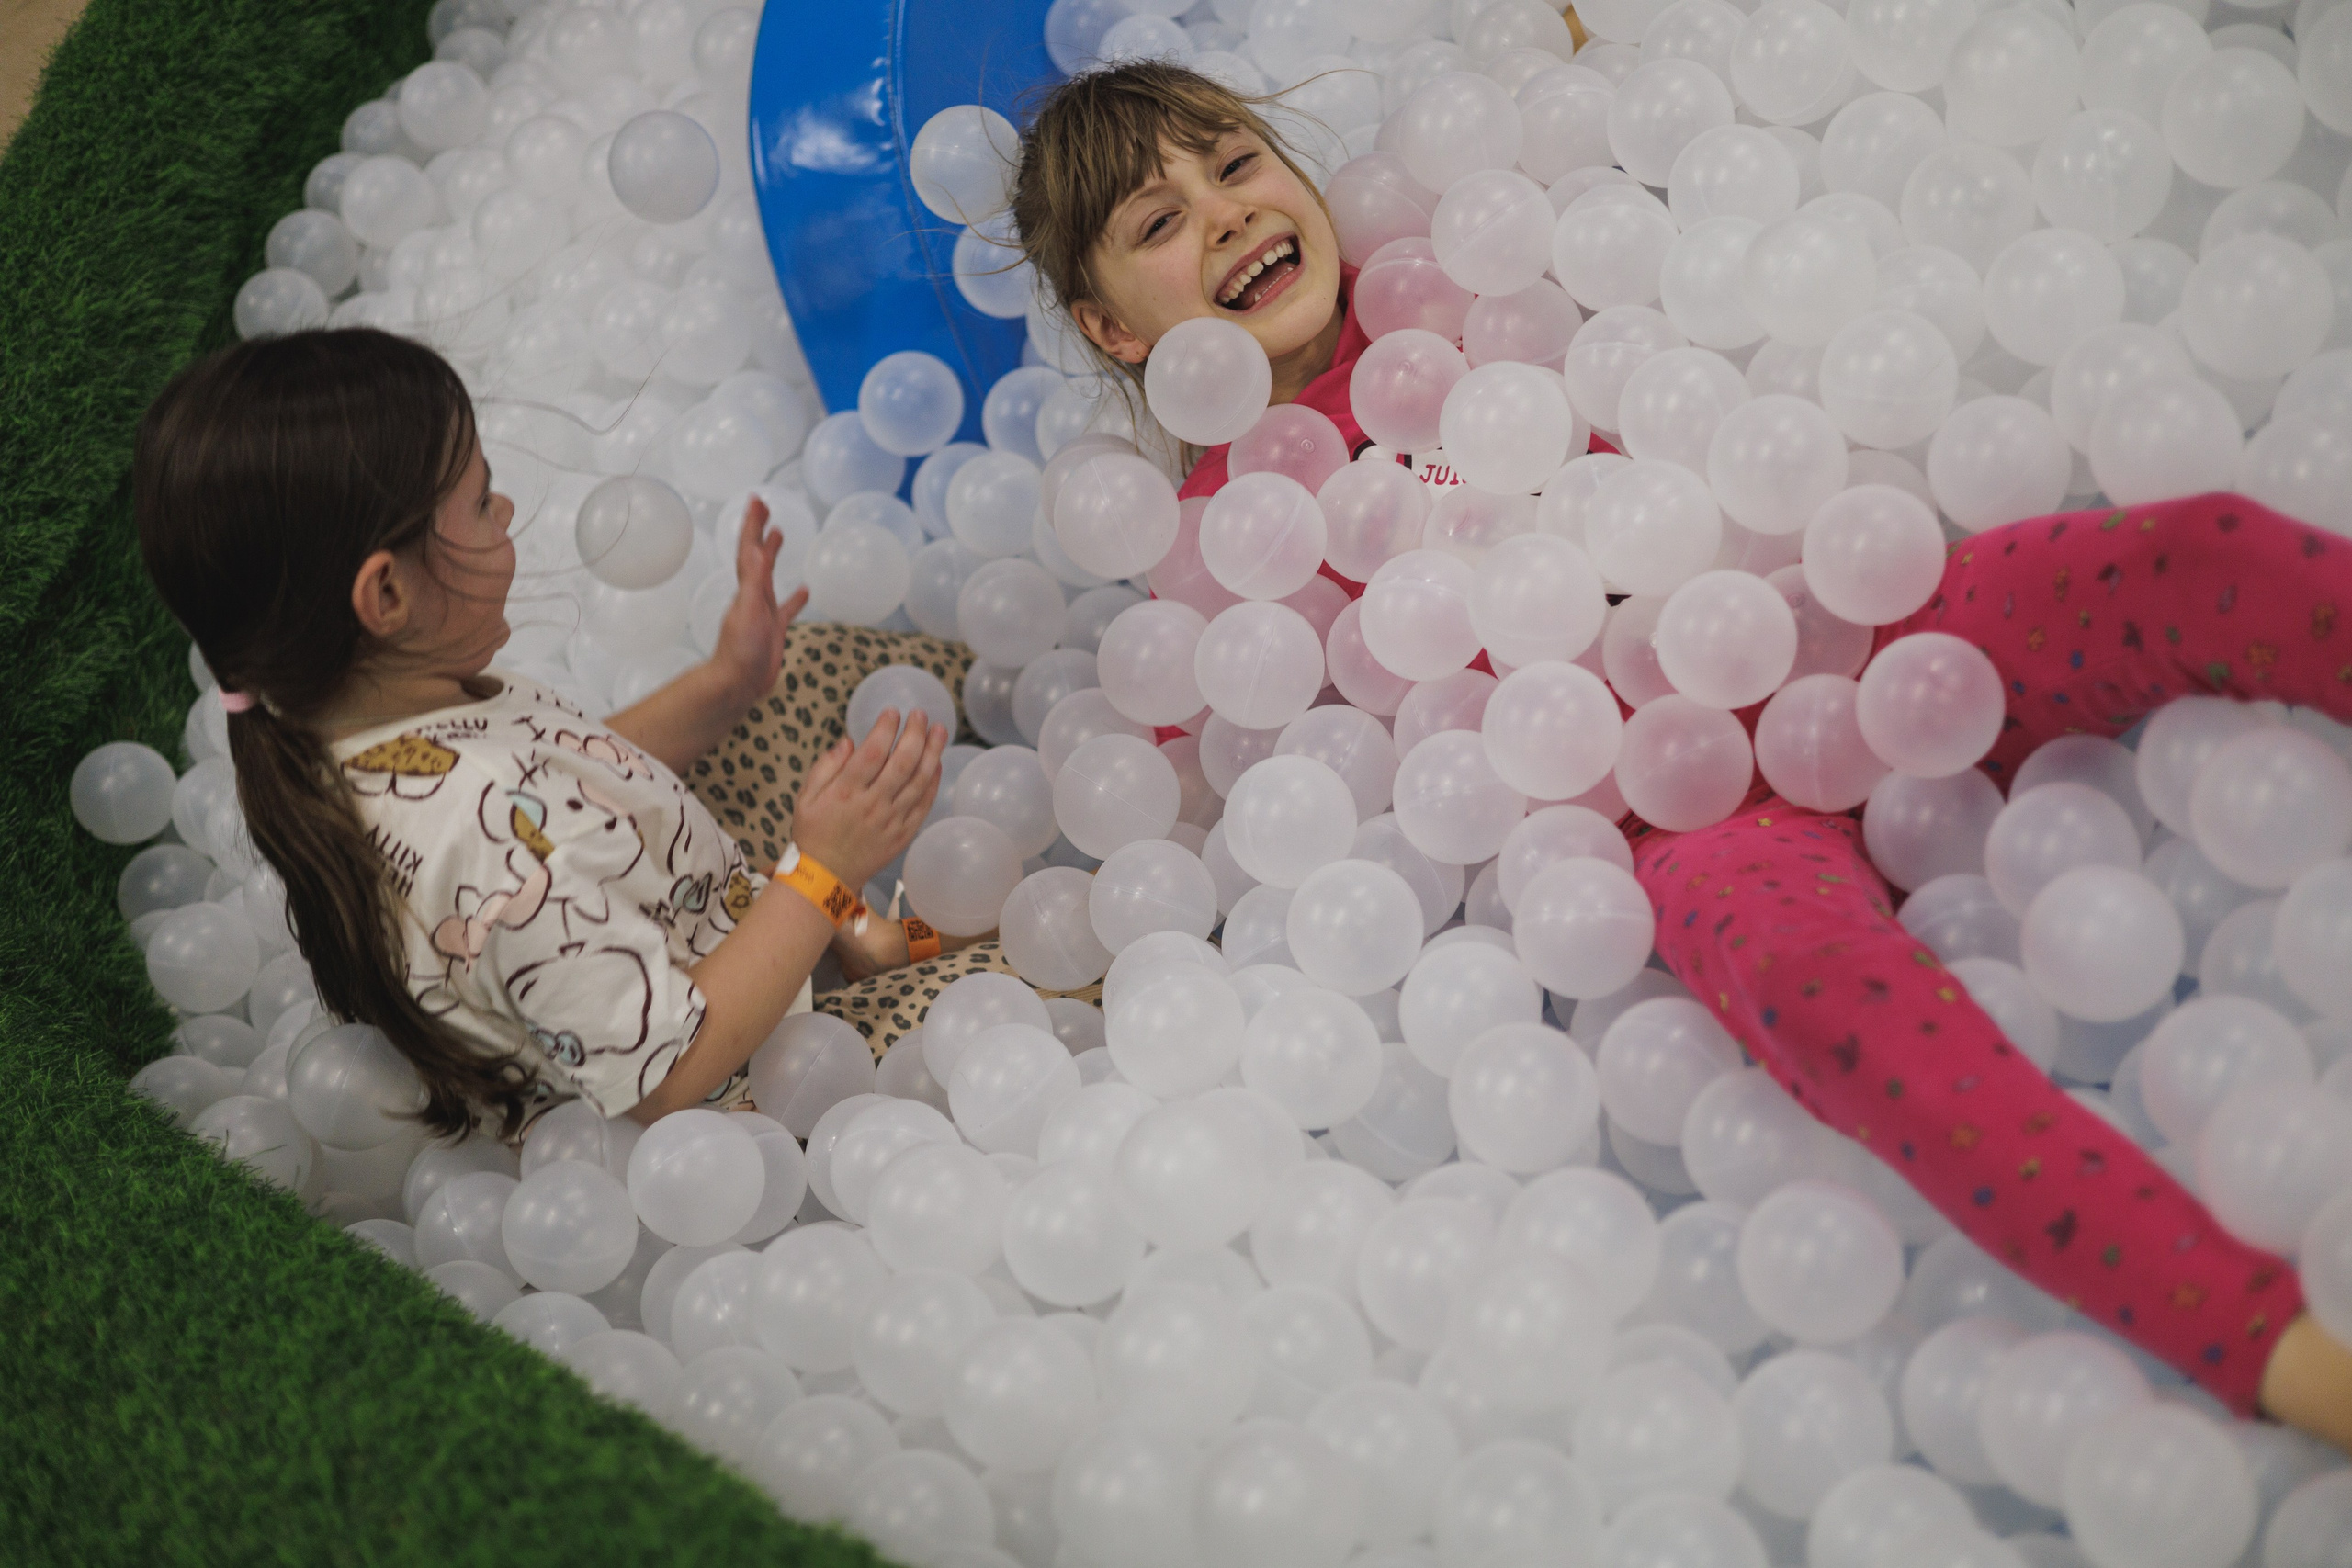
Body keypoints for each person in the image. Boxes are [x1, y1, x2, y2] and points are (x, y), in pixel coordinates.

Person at [1007, 62, 2352, 1449]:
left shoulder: (1468, 266)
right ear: (1112, 324)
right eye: (1159, 221)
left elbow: (1624, 127)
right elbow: (1212, 825)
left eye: (1233, 165)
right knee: (1830, 1005)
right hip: (1669, 823)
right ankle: (2290, 1358)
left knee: (2201, 554)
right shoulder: (1202, 556)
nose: (1224, 216)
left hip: (1844, 629)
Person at [133, 327, 1004, 1148]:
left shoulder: (354, 718)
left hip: (697, 916)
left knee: (813, 662)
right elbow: (670, 1076)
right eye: (477, 502)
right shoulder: (489, 851)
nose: (504, 506)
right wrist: (821, 874)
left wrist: (726, 683)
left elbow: (580, 779)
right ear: (387, 597)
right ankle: (863, 940)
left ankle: (865, 936)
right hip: (746, 1077)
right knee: (1046, 973)